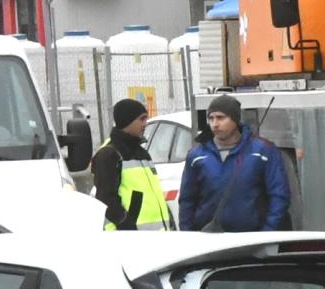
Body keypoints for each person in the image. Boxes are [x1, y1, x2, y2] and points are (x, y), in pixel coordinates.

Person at [180, 93, 291, 232]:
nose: (215, 124)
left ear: (235, 119)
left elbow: (279, 196)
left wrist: (267, 233)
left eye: (221, 118)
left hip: (252, 238)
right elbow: (187, 200)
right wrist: (189, 234)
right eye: (211, 118)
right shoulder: (196, 155)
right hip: (209, 238)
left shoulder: (263, 151)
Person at [90, 98, 170, 230]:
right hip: (129, 237)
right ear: (127, 120)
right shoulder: (109, 154)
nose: (145, 123)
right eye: (142, 119)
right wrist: (126, 223)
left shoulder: (142, 153)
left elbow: (154, 194)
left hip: (156, 235)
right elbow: (105, 198)